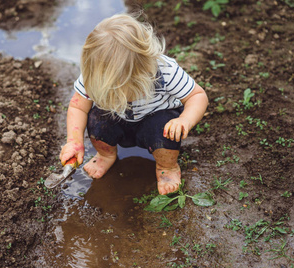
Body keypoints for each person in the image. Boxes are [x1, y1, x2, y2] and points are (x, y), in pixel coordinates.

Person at [59, 13, 208, 195]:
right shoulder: (93, 77)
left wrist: (185, 119)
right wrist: (74, 142)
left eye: (123, 89)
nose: (117, 94)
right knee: (97, 120)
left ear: (145, 71)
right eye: (110, 90)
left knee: (165, 131)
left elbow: (197, 96)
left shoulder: (165, 70)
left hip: (156, 118)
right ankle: (106, 155)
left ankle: (167, 167)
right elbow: (78, 106)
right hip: (117, 117)